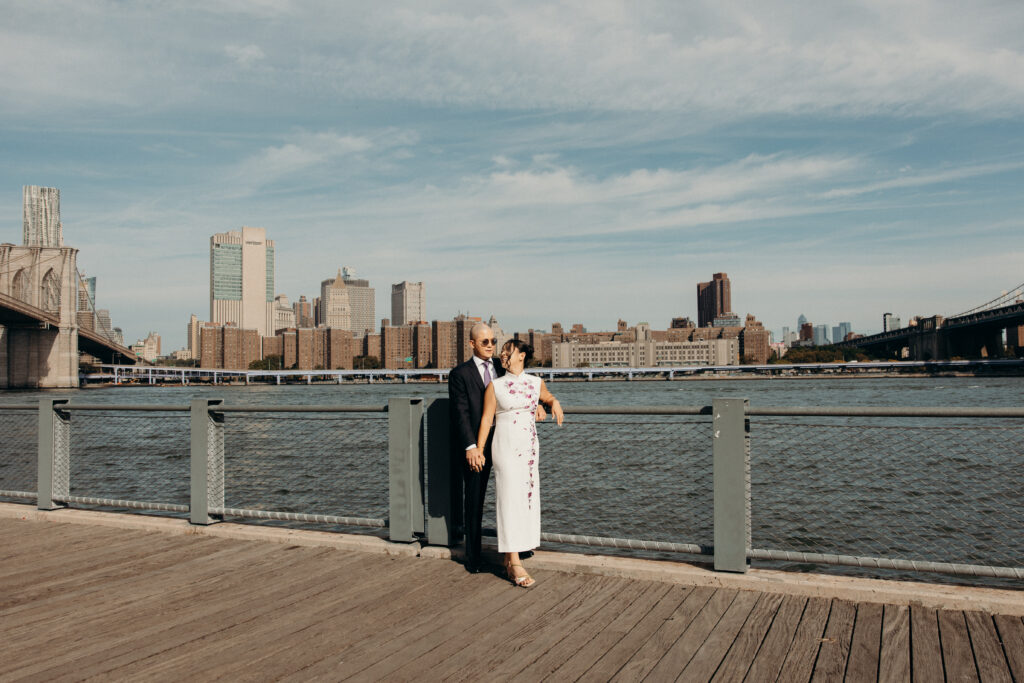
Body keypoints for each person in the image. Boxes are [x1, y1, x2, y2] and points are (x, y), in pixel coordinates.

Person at [470, 339, 563, 587]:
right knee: (509, 500)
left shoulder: (535, 382)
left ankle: (513, 554)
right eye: (502, 351)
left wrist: (553, 403)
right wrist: (479, 449)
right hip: (505, 448)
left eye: (507, 351)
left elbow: (546, 396)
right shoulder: (495, 386)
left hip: (529, 449)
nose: (502, 354)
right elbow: (487, 419)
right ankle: (514, 562)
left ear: (521, 355)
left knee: (526, 500)